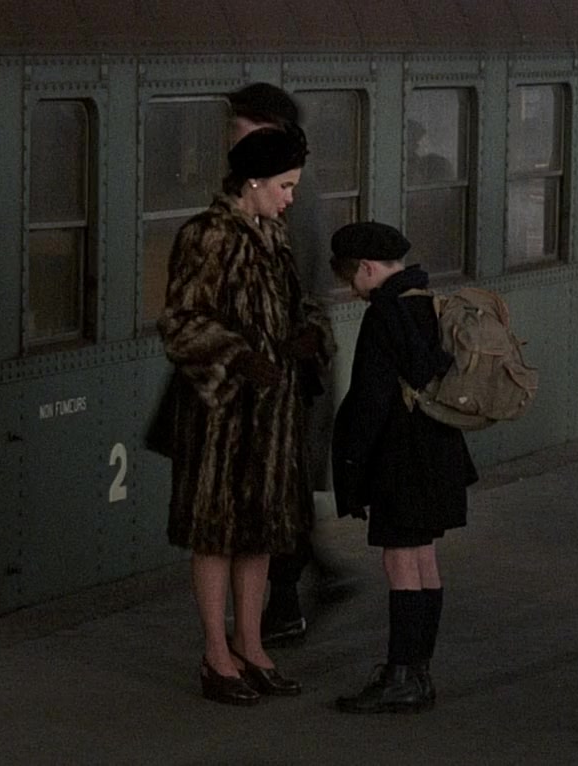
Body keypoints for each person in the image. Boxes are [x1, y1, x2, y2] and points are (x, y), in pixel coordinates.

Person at [159, 123, 332, 705]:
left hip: (271, 413)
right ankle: (216, 655)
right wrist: (239, 358)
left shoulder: (271, 234)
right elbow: (181, 322)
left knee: (259, 532)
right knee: (216, 533)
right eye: (285, 186)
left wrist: (309, 335)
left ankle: (251, 647)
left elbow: (299, 303)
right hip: (222, 418)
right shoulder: (207, 236)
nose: (290, 198)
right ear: (252, 182)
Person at [326, 222, 478, 714]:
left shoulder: (385, 314)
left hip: (400, 460)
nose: (354, 291)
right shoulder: (427, 303)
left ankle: (401, 676)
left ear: (368, 268)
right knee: (424, 558)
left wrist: (352, 468)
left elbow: (370, 401)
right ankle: (419, 671)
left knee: (400, 562)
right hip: (440, 452)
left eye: (352, 280)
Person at [227, 82, 334, 647]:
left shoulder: (290, 196)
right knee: (279, 488)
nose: (232, 135)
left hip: (286, 368)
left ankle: (286, 602)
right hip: (278, 363)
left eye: (241, 126)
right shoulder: (270, 186)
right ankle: (302, 587)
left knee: (280, 488)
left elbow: (298, 288)